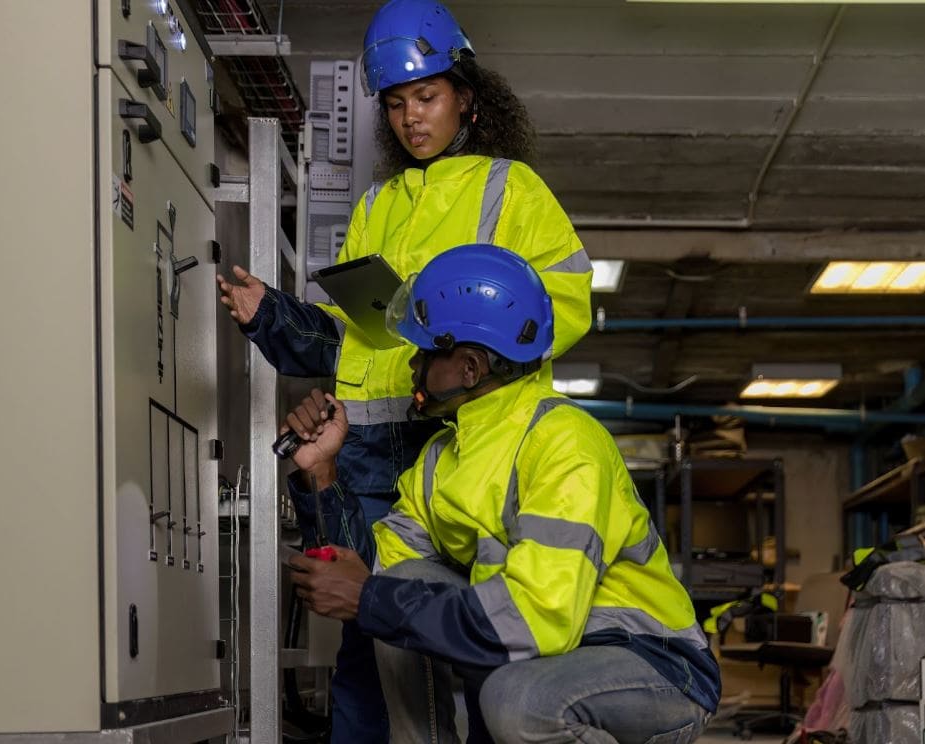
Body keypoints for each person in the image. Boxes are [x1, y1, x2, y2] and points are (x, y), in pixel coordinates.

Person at [217, 1, 593, 739]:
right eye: (395, 104)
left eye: (425, 97)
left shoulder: (509, 190)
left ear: (467, 98)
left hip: (459, 443)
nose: (409, 118)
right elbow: (350, 340)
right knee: (370, 645)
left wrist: (462, 332)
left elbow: (564, 304)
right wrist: (270, 314)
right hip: (365, 455)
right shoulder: (377, 205)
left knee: (482, 644)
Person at [284, 245, 720, 744]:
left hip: (653, 663)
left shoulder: (564, 442)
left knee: (517, 704)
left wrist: (369, 595)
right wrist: (321, 473)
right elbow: (372, 575)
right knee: (402, 586)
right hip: (550, 660)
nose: (412, 365)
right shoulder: (442, 457)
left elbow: (537, 620)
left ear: (470, 368)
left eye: (426, 351)